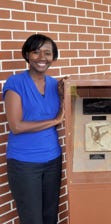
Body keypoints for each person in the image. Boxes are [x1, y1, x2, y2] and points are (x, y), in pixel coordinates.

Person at [3, 34, 65, 224]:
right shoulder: (15, 82)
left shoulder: (56, 85)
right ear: (27, 55)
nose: (41, 58)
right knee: (32, 219)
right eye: (36, 52)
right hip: (25, 163)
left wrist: (67, 93)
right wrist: (55, 120)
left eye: (47, 53)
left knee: (49, 216)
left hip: (53, 160)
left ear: (53, 58)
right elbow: (16, 126)